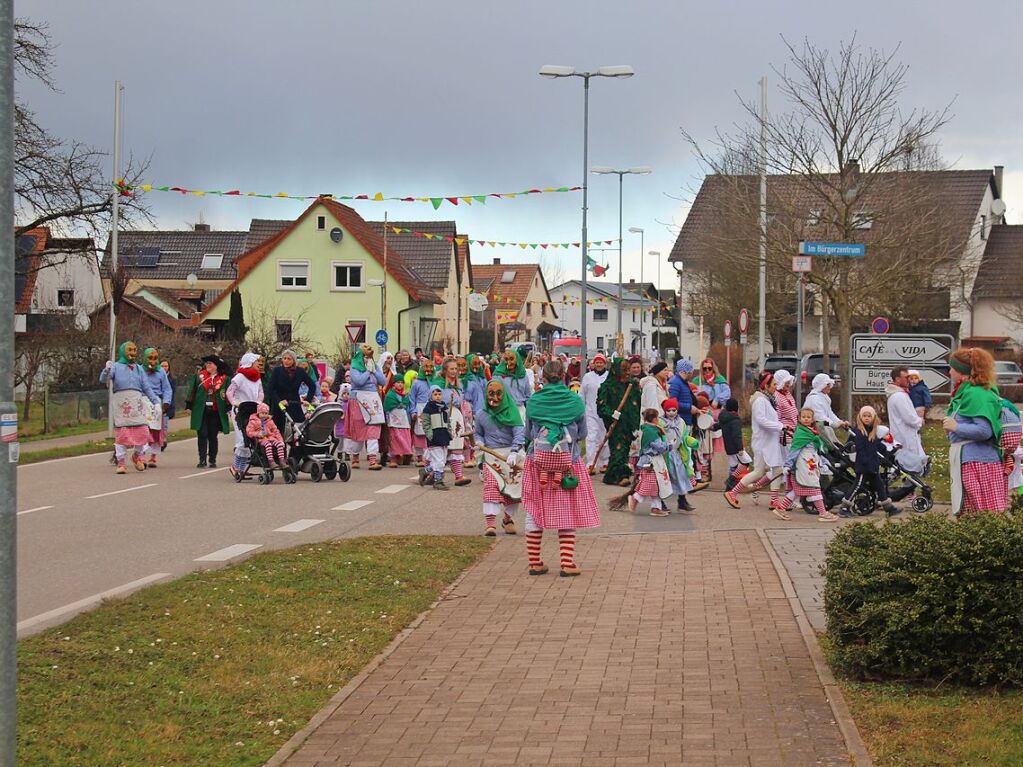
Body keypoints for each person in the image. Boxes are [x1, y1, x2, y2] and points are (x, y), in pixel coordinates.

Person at [521, 360, 600, 577]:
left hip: (537, 462)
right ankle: (566, 564)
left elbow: (528, 434)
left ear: (543, 378)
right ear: (564, 375)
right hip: (568, 463)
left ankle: (535, 562)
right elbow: (582, 434)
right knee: (566, 512)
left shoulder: (535, 401)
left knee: (534, 510)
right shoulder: (574, 402)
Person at [944, 348, 1008, 515]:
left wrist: (956, 427)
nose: (949, 371)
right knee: (972, 514)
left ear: (962, 371)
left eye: (952, 368)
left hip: (979, 463)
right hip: (970, 460)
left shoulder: (977, 394)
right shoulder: (968, 392)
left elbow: (984, 430)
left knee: (982, 514)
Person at [724, 371, 787, 514]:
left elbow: (771, 420)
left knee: (777, 470)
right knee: (760, 471)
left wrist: (781, 426)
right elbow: (761, 420)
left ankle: (771, 498)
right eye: (774, 385)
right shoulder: (760, 401)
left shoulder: (768, 400)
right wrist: (780, 426)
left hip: (770, 442)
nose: (776, 387)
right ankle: (734, 492)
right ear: (766, 386)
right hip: (762, 443)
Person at [474, 380, 526, 536]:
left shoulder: (512, 412)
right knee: (490, 487)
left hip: (511, 456)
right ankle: (490, 525)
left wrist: (514, 451)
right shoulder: (481, 413)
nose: (494, 397)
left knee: (513, 489)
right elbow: (478, 432)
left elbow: (519, 433)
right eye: (491, 393)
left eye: (498, 393)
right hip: (491, 455)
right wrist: (479, 441)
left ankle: (507, 519)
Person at [100, 341, 159, 474]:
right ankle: (121, 463)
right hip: (122, 405)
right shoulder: (116, 367)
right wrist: (107, 369)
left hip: (137, 404)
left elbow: (146, 387)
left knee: (143, 432)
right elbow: (104, 380)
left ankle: (137, 456)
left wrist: (155, 402)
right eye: (129, 350)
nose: (132, 353)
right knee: (122, 435)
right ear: (122, 352)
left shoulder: (138, 368)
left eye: (134, 350)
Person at [776, 407, 840, 522]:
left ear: (812, 419)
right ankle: (823, 513)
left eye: (808, 417)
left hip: (809, 463)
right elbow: (794, 450)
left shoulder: (812, 432)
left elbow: (816, 451)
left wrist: (822, 462)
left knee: (798, 490)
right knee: (814, 487)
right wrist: (788, 465)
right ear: (799, 419)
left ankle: (781, 508)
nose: (806, 419)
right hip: (802, 465)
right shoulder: (801, 433)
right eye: (803, 417)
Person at [843, 405, 902, 517]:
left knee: (880, 486)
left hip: (873, 465)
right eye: (864, 416)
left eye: (869, 416)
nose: (866, 418)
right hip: (864, 466)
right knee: (857, 485)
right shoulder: (860, 433)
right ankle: (844, 507)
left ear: (873, 418)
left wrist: (890, 449)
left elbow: (876, 446)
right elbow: (861, 449)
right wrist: (866, 462)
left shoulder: (872, 431)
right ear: (860, 418)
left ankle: (888, 507)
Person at [596, 358, 642, 487]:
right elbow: (601, 407)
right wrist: (612, 414)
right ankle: (620, 475)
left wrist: (636, 422)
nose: (627, 373)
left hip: (628, 424)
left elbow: (637, 404)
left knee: (625, 449)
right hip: (615, 425)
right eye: (624, 370)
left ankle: (612, 475)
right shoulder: (607, 386)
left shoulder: (632, 385)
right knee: (618, 448)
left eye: (628, 370)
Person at [619, 408, 672, 517]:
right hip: (651, 462)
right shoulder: (650, 432)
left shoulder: (645, 428)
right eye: (657, 417)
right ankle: (635, 498)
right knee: (650, 484)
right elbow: (660, 447)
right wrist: (670, 445)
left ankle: (656, 508)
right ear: (653, 418)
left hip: (651, 461)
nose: (658, 419)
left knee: (657, 485)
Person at [184, 355, 230, 469]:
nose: (208, 365)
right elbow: (192, 391)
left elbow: (228, 394)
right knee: (202, 434)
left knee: (213, 436)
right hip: (201, 411)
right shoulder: (199, 376)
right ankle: (202, 459)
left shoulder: (224, 379)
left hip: (215, 411)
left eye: (211, 363)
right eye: (207, 363)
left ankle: (212, 459)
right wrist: (188, 405)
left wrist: (229, 407)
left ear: (216, 366)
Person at [346, 345, 387, 470]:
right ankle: (355, 456)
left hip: (373, 399)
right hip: (359, 399)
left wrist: (374, 370)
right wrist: (367, 371)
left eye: (369, 357)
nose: (367, 359)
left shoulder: (375, 366)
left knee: (373, 429)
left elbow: (383, 381)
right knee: (359, 430)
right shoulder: (354, 368)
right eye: (365, 356)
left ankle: (373, 459)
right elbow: (358, 381)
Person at [226, 351, 264, 478]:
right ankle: (235, 467)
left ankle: (242, 468)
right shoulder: (240, 377)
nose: (259, 364)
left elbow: (260, 392)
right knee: (243, 439)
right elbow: (229, 392)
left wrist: (259, 402)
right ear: (249, 363)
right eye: (256, 362)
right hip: (240, 411)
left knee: (251, 438)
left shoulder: (257, 377)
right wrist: (235, 403)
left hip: (253, 410)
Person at [885, 367, 927, 475]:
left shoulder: (901, 394)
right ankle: (908, 490)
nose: (909, 379)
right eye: (906, 377)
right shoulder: (899, 396)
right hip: (905, 435)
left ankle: (908, 489)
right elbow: (909, 418)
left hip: (904, 433)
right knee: (909, 465)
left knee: (908, 464)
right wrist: (920, 420)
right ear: (898, 379)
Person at [439, 359, 472, 486]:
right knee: (442, 449)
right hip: (444, 416)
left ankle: (458, 476)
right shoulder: (439, 384)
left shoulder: (458, 385)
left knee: (456, 447)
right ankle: (430, 472)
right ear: (445, 370)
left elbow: (461, 402)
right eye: (451, 369)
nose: (454, 371)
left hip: (457, 417)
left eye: (455, 369)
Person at [661, 398, 698, 511]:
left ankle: (682, 500)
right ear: (665, 411)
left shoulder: (681, 422)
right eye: (669, 411)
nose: (672, 413)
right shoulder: (661, 423)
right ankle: (660, 502)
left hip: (678, 455)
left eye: (674, 410)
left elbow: (684, 436)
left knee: (682, 477)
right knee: (665, 479)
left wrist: (692, 441)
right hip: (666, 455)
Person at [140, 347, 173, 468]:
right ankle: (141, 454)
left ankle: (153, 456)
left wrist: (166, 403)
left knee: (155, 430)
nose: (152, 361)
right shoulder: (139, 370)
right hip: (142, 401)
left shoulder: (161, 372)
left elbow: (167, 388)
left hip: (156, 402)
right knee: (143, 429)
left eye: (155, 358)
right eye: (150, 358)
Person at [580, 353, 610, 473]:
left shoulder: (609, 377)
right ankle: (591, 463)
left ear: (604, 364)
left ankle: (604, 462)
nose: (599, 364)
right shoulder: (588, 377)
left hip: (604, 412)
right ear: (593, 364)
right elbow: (582, 394)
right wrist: (581, 409)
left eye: (601, 362)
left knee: (604, 437)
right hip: (591, 411)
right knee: (591, 437)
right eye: (597, 362)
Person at [713, 398, 752, 490]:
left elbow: (719, 425)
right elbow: (736, 435)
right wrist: (740, 448)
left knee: (733, 466)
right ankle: (731, 479)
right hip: (735, 448)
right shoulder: (735, 420)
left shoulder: (724, 417)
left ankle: (729, 488)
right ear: (736, 408)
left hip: (728, 448)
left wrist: (711, 426)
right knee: (746, 462)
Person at [419, 385, 451, 491]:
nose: (438, 396)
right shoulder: (428, 408)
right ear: (431, 395)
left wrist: (449, 432)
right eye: (435, 394)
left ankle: (426, 471)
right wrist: (429, 434)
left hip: (444, 436)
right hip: (434, 437)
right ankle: (438, 481)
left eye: (439, 394)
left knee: (442, 460)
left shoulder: (444, 407)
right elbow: (426, 423)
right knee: (439, 460)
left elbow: (448, 421)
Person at [409, 358, 437, 466]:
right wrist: (413, 411)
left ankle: (430, 457)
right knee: (420, 433)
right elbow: (412, 398)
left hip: (432, 408)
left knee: (431, 433)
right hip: (420, 408)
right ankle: (420, 456)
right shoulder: (416, 383)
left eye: (431, 367)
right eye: (426, 367)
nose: (428, 370)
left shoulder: (434, 381)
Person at [246, 402, 287, 469]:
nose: (264, 415)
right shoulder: (253, 421)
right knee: (268, 445)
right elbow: (249, 432)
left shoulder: (270, 421)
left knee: (279, 445)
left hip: (271, 438)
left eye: (266, 413)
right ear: (258, 413)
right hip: (261, 439)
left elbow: (276, 431)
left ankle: (282, 461)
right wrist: (258, 434)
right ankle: (271, 461)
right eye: (262, 413)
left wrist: (281, 440)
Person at [383, 379, 414, 467]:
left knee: (404, 438)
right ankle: (393, 458)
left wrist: (402, 404)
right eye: (398, 382)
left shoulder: (405, 395)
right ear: (393, 384)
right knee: (394, 439)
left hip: (403, 420)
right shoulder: (390, 395)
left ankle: (402, 455)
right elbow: (387, 407)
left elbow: (406, 404)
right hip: (393, 420)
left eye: (402, 383)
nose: (400, 384)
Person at [494, 349, 532, 414]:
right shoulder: (498, 376)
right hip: (504, 410)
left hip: (520, 411)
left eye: (511, 359)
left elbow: (528, 396)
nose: (509, 362)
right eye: (506, 359)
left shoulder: (523, 376)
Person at [773, 370, 798, 446]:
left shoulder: (787, 393)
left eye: (789, 381)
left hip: (794, 434)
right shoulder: (777, 397)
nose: (788, 383)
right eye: (786, 381)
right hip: (785, 437)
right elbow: (777, 418)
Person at [160, 359, 176, 450]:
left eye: (166, 366)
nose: (164, 368)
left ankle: (163, 440)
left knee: (164, 424)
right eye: (162, 366)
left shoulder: (172, 379)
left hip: (167, 404)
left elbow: (172, 393)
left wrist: (168, 404)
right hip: (157, 401)